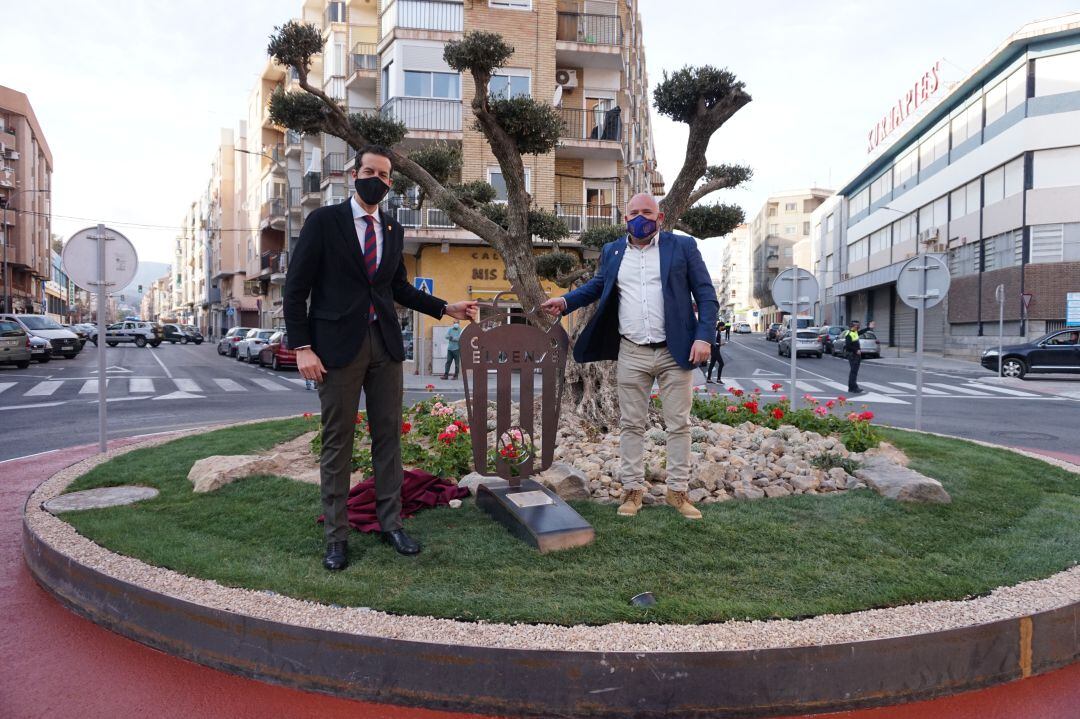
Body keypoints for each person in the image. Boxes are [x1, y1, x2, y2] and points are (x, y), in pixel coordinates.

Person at [284, 144, 478, 571]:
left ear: (390, 183)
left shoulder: (391, 229)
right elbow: (295, 289)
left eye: (385, 175)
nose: (378, 179)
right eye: (370, 170)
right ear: (354, 174)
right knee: (338, 442)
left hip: (385, 345)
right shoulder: (323, 222)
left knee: (389, 438)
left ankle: (391, 523)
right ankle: (336, 537)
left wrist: (447, 307)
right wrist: (302, 347)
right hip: (335, 349)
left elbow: (398, 289)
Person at [541, 193, 718, 520]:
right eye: (634, 213)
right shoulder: (612, 251)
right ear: (625, 219)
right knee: (631, 424)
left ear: (660, 217)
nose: (640, 218)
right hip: (632, 352)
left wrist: (704, 336)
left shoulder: (683, 247)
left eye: (647, 212)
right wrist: (566, 302)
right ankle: (632, 491)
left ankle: (678, 492)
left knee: (678, 425)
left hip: (674, 351)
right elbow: (597, 287)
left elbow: (706, 295)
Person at [843, 319, 875, 394]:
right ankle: (854, 388)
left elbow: (861, 332)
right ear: (853, 326)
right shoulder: (849, 334)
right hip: (853, 355)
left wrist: (869, 327)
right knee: (853, 372)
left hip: (855, 355)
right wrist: (856, 350)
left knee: (853, 372)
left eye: (858, 325)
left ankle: (852, 387)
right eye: (856, 326)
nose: (858, 327)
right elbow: (848, 346)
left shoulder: (854, 332)